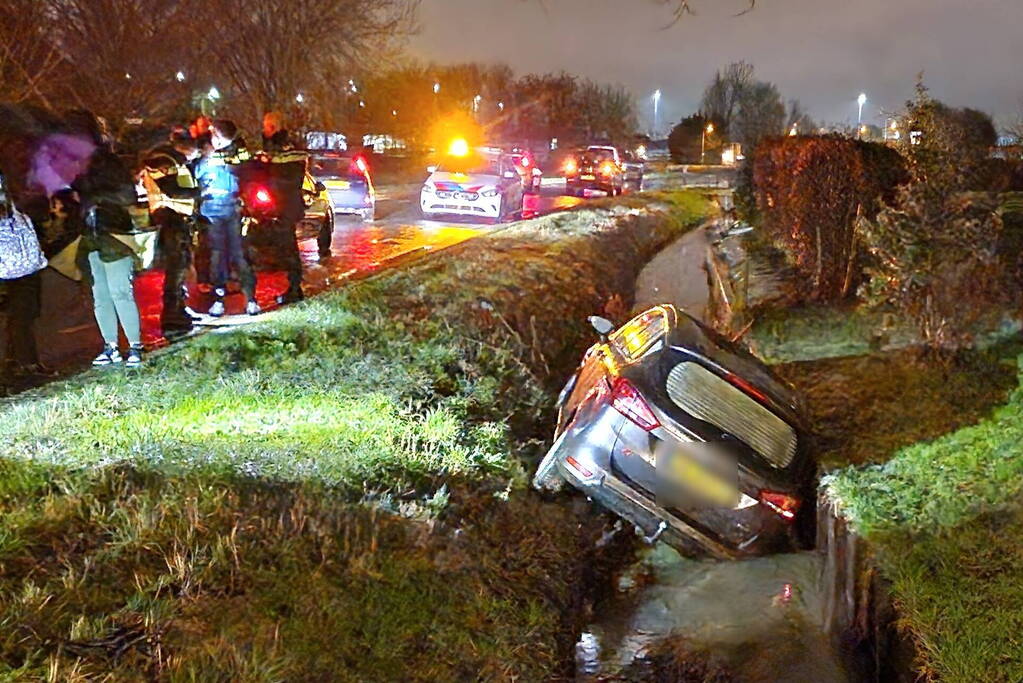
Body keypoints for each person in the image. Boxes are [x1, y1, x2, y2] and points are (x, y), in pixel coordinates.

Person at [69, 112, 146, 367]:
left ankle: (134, 345)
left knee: (120, 291)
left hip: (113, 232)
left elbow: (127, 195)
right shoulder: (79, 165)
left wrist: (92, 196)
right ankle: (110, 345)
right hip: (92, 234)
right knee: (100, 294)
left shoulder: (108, 162)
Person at [194, 119, 260, 317]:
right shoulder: (205, 151)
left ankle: (251, 299)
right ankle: (218, 299)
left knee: (240, 256)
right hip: (211, 210)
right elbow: (197, 172)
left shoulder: (238, 150)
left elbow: (246, 170)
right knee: (217, 257)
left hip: (233, 209)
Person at [140, 131, 199, 337]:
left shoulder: (172, 160)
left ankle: (179, 309)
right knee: (176, 268)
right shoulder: (162, 160)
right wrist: (201, 192)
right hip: (168, 219)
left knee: (181, 266)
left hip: (177, 219)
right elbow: (173, 191)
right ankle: (172, 316)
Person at [0, 167, 47, 385]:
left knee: (22, 316)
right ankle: (22, 362)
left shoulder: (15, 210)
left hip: (20, 268)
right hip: (18, 268)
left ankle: (20, 361)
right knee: (21, 317)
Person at [260, 112, 307, 304]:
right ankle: (292, 288)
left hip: (285, 206)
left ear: (273, 127)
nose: (263, 130)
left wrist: (267, 168)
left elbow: (289, 178)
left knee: (289, 249)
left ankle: (294, 289)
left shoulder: (286, 148)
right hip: (282, 205)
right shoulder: (277, 147)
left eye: (266, 126)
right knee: (285, 248)